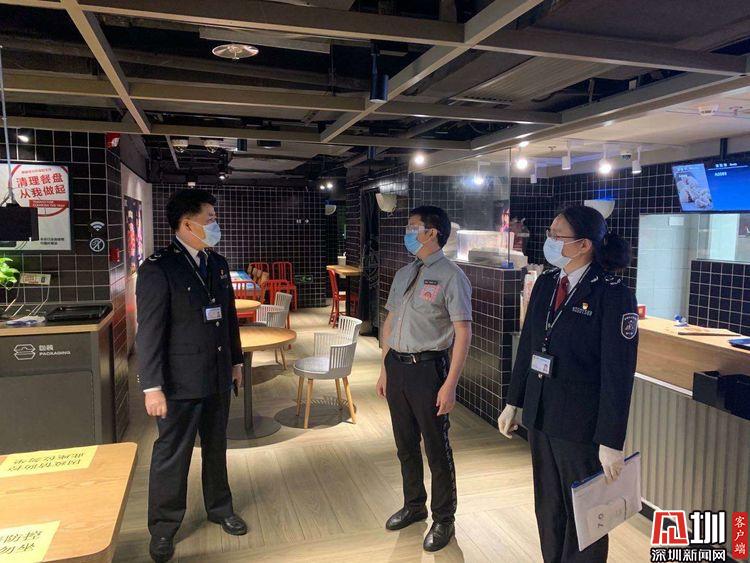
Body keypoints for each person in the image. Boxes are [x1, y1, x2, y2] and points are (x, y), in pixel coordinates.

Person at [498, 204, 638, 563]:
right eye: (550, 233)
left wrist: (611, 440)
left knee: (586, 512)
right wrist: (514, 401)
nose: (549, 241)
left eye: (557, 236)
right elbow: (529, 346)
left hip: (580, 424)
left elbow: (618, 372)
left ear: (584, 245)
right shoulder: (547, 282)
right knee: (548, 506)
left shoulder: (612, 293)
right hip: (541, 414)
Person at [136, 189, 247, 563]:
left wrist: (236, 363)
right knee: (172, 454)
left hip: (216, 376)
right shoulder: (159, 267)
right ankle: (163, 528)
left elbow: (228, 319)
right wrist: (152, 387)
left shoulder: (217, 263)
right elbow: (149, 332)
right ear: (187, 224)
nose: (215, 225)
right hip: (178, 383)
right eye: (210, 218)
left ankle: (220, 508)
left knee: (216, 448)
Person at [376, 205, 472, 552]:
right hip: (398, 367)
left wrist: (450, 385)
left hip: (428, 370)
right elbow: (390, 322)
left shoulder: (452, 276)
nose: (407, 232)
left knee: (436, 448)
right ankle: (414, 504)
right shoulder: (405, 273)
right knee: (405, 444)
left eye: (412, 227)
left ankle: (444, 518)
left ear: (432, 233)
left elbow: (463, 332)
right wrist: (384, 368)